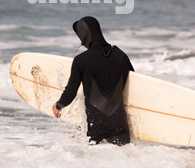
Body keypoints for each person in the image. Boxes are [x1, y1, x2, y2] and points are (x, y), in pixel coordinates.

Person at [52, 16, 134, 145]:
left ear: (85, 35)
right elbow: (134, 86)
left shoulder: (81, 60)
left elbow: (70, 93)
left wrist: (58, 106)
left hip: (96, 126)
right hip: (120, 126)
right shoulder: (121, 56)